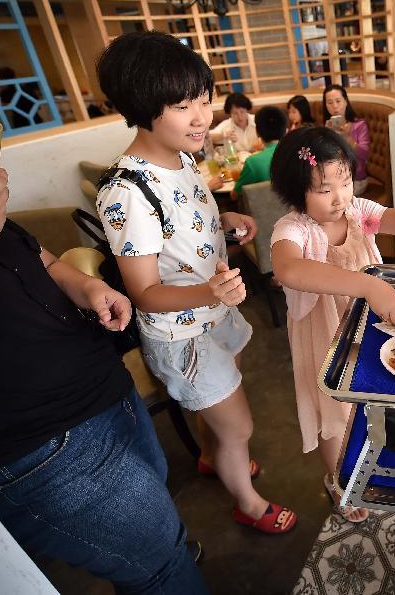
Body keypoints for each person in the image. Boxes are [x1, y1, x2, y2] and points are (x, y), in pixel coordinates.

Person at [0, 157, 210, 593]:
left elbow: (36, 258)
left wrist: (88, 287)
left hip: (103, 388)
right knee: (157, 560)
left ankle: (160, 559)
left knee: (153, 530)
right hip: (38, 445)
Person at [96, 30, 297, 534]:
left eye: (204, 100)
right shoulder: (128, 191)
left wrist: (225, 220)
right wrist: (210, 292)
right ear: (142, 105)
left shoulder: (182, 157)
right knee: (241, 426)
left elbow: (184, 223)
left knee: (219, 409)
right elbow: (143, 292)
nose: (202, 116)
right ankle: (247, 503)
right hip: (181, 332)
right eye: (184, 105)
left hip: (214, 311)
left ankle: (212, 455)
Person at [269, 127, 395, 523]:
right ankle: (339, 479)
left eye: (345, 182)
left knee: (371, 397)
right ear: (297, 194)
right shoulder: (293, 229)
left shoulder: (357, 211)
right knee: (334, 413)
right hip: (323, 332)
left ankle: (372, 455)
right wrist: (367, 284)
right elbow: (288, 268)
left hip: (366, 323)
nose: (339, 197)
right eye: (323, 189)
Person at [322, 84, 371, 198]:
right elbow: (322, 158)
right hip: (332, 180)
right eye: (329, 102)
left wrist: (346, 137)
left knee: (326, 198)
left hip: (355, 180)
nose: (334, 106)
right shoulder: (326, 128)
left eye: (338, 101)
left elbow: (364, 154)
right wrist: (325, 135)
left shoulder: (359, 125)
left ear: (345, 101)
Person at [234, 106, 287, 196]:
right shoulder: (299, 153)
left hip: (265, 209)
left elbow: (235, 195)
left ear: (257, 131)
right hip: (297, 208)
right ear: (285, 130)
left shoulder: (253, 163)